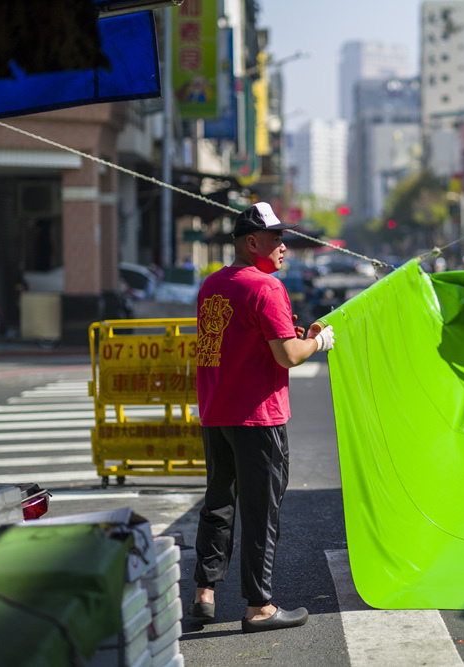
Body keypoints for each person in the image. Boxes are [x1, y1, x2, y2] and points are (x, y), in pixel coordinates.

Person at [189, 201, 336, 633]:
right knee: (260, 510)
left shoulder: (211, 286)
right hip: (259, 418)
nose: (284, 247)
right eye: (276, 240)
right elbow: (288, 355)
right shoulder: (266, 288)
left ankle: (205, 592)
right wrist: (320, 342)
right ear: (252, 242)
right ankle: (259, 608)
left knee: (218, 504)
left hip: (217, 414)